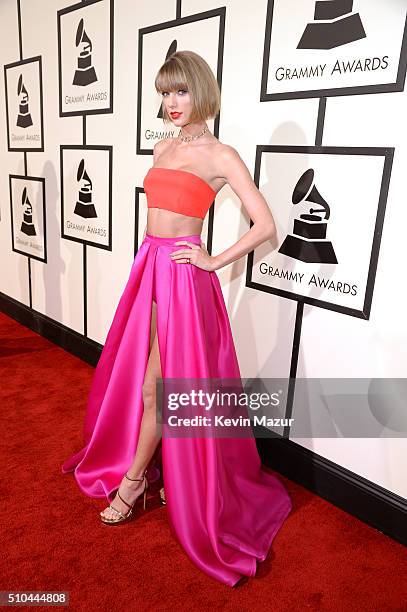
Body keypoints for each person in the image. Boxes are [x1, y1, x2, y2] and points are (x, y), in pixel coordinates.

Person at [62, 50, 292, 587]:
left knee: (163, 388)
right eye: (165, 93)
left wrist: (210, 259)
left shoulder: (221, 155)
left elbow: (265, 224)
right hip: (150, 268)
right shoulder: (163, 146)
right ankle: (152, 471)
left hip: (186, 280)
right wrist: (151, 262)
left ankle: (135, 481)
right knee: (146, 387)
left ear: (202, 93)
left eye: (181, 92)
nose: (171, 103)